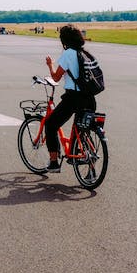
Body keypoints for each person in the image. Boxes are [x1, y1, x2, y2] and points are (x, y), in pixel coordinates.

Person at [43, 24, 97, 172]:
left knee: (51, 124)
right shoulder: (85, 53)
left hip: (73, 98)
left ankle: (54, 163)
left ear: (64, 40)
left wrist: (50, 65)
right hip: (90, 98)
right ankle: (90, 169)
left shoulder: (68, 54)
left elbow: (56, 77)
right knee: (82, 130)